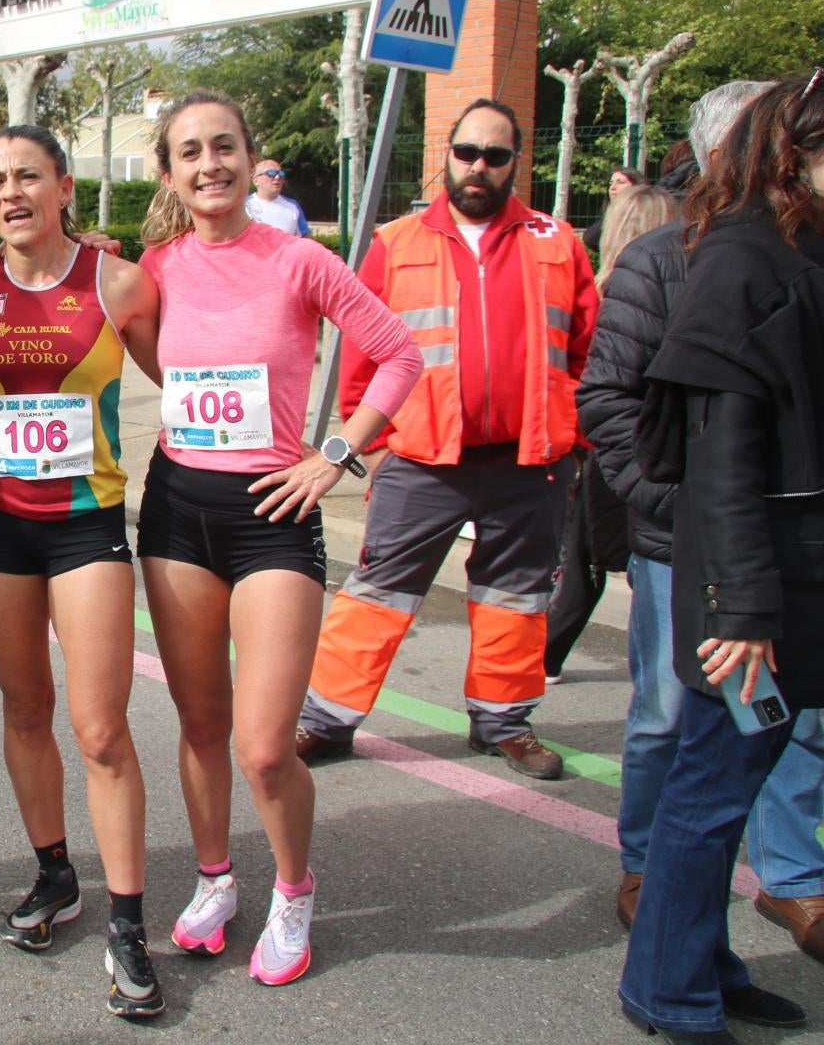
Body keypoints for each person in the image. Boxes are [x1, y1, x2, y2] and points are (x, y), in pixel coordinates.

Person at [136, 92, 420, 986]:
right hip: (177, 507)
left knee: (264, 744)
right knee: (200, 721)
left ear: (250, 159)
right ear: (169, 173)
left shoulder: (300, 259)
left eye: (224, 146)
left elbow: (401, 353)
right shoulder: (155, 268)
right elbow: (153, 358)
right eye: (190, 151)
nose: (209, 163)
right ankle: (216, 879)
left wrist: (333, 454)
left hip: (274, 516)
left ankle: (294, 890)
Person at [579, 79, 824, 958]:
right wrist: (691, 514)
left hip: (774, 550)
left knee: (791, 723)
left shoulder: (801, 254)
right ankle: (650, 875)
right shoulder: (672, 261)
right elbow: (609, 404)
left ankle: (793, 878)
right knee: (672, 721)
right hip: (682, 541)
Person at [298, 98, 599, 779]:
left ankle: (503, 723)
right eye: (467, 152)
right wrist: (366, 442)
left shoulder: (559, 242)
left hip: (529, 462)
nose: (478, 167)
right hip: (420, 458)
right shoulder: (395, 242)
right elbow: (361, 355)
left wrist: (573, 436)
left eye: (495, 156)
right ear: (446, 155)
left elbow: (588, 351)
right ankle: (326, 722)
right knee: (377, 592)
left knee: (517, 597)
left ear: (516, 162)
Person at [0, 125, 164, 1015]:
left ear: (65, 186)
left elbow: (189, 385)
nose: (11, 193)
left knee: (101, 727)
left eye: (28, 175)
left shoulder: (118, 284)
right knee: (25, 708)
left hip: (86, 527)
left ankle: (128, 921)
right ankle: (53, 874)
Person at [541, 184, 681, 682]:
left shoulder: (602, 290)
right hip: (637, 450)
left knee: (587, 560)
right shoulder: (657, 286)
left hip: (603, 448)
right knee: (617, 561)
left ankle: (548, 654)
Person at [582, 166, 648, 259]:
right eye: (611, 183)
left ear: (637, 187)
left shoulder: (649, 216)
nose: (613, 187)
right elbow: (590, 239)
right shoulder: (610, 217)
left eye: (620, 182)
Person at [244, 159, 310, 236]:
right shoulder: (243, 206)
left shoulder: (293, 206)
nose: (277, 177)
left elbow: (306, 237)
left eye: (281, 174)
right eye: (271, 173)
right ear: (256, 181)